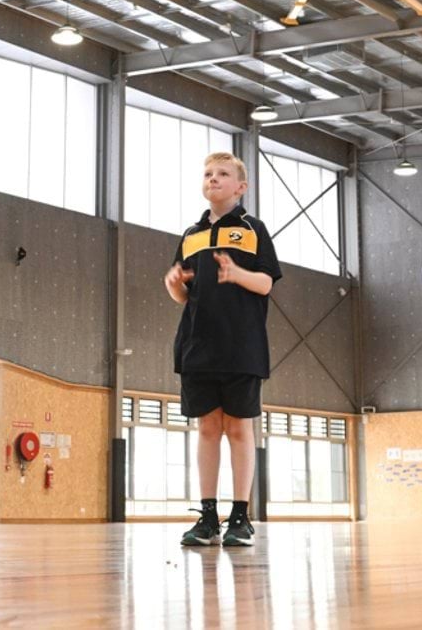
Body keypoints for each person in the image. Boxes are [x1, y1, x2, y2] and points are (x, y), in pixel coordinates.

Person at [165, 152, 282, 548]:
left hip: (242, 346)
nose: (213, 179)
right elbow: (185, 295)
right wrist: (174, 286)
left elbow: (266, 283)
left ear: (241, 187)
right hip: (197, 346)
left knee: (238, 428)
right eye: (208, 174)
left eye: (223, 174)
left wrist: (237, 274)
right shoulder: (191, 234)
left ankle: (240, 517)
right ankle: (208, 517)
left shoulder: (253, 230)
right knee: (207, 428)